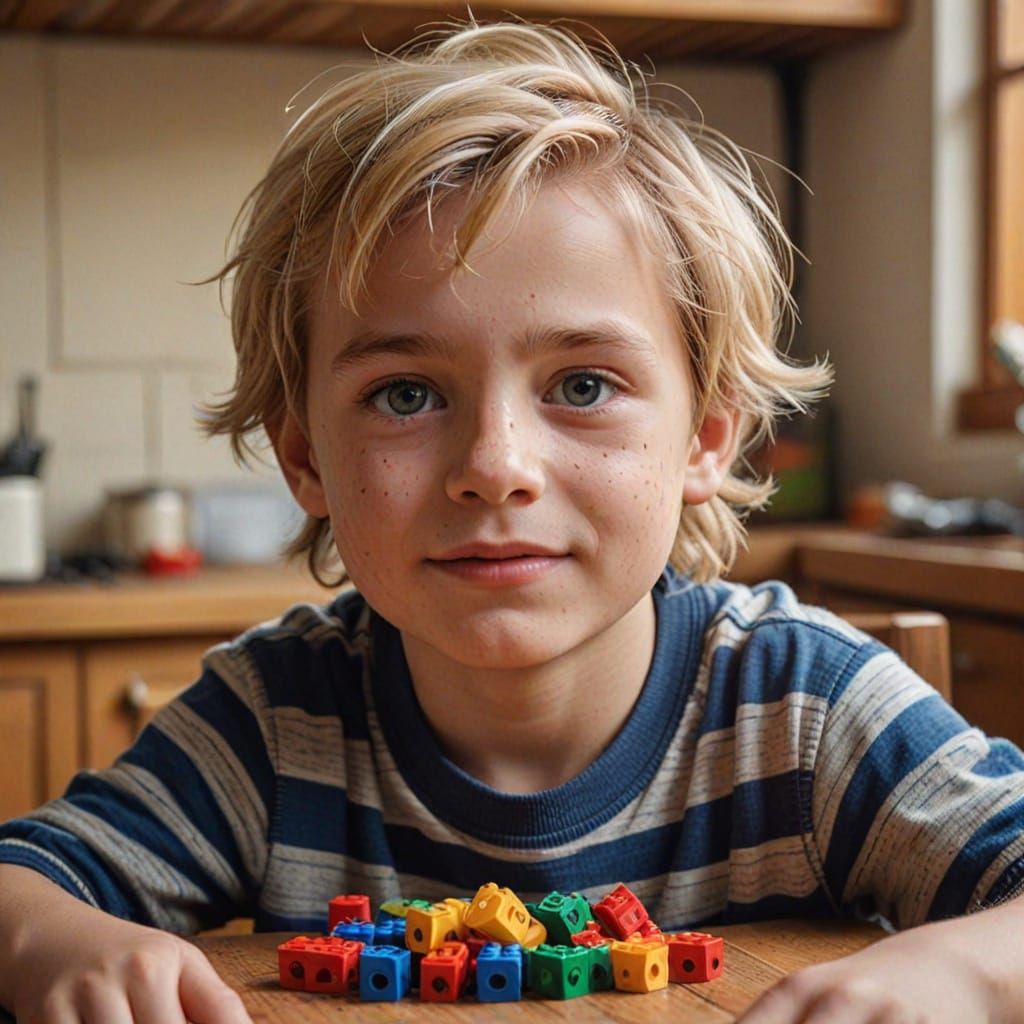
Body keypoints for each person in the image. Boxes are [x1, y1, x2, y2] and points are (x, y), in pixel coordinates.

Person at [1, 16, 1022, 1024]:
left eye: (582, 383)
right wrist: (54, 938)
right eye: (405, 394)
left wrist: (967, 972)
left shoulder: (805, 711)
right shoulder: (275, 722)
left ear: (707, 439)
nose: (495, 467)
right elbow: (22, 882)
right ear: (306, 455)